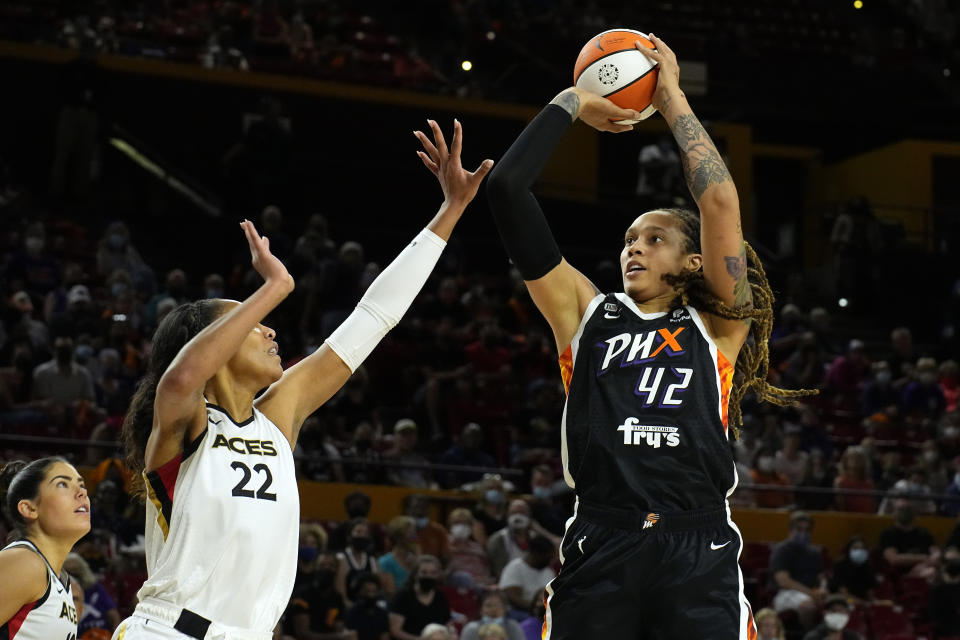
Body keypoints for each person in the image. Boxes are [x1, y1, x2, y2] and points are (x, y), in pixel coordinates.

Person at [114, 120, 494, 639]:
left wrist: (450, 211)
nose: (267, 328)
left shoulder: (276, 418)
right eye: (247, 321)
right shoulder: (183, 423)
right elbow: (181, 377)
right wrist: (275, 286)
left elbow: (373, 316)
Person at [485, 34, 811, 640]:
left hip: (699, 548)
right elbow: (506, 190)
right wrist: (573, 101)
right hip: (603, 540)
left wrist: (672, 99)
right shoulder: (584, 316)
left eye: (654, 239)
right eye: (629, 239)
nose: (634, 246)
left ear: (694, 263)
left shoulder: (719, 326)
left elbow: (717, 199)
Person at [0, 458, 90, 639]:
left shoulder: (60, 578)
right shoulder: (24, 562)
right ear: (29, 508)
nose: (82, 493)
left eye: (81, 485)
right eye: (63, 484)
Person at [770, 512, 826, 628]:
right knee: (808, 607)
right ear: (791, 530)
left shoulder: (814, 552)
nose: (803, 533)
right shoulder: (782, 550)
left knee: (837, 606)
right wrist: (810, 593)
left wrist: (823, 589)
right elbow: (783, 581)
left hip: (811, 592)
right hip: (786, 593)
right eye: (799, 529)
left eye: (807, 530)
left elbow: (822, 577)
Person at [388, 556, 450, 640]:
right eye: (424, 572)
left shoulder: (440, 596)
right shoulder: (403, 597)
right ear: (415, 574)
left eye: (433, 573)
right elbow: (395, 631)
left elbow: (447, 624)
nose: (428, 576)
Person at [63, 551, 121, 635]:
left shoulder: (97, 590)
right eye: (69, 573)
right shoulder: (60, 594)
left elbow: (114, 615)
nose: (73, 576)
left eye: (77, 571)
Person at [497, 536, 556, 617]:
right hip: (520, 612)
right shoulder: (515, 567)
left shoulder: (548, 571)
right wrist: (537, 608)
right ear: (536, 554)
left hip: (545, 611)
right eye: (547, 558)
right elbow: (514, 598)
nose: (550, 561)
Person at [336, 518, 380, 605]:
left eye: (365, 533)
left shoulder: (371, 560)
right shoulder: (341, 558)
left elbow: (378, 587)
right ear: (349, 535)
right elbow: (340, 593)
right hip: (348, 605)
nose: (362, 536)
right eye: (358, 532)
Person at [828, 536, 876, 604]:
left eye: (862, 549)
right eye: (855, 548)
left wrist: (873, 603)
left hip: (862, 602)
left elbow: (870, 591)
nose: (859, 551)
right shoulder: (840, 565)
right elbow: (844, 593)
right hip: (843, 600)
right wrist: (863, 603)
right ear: (848, 550)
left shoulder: (868, 566)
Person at [460, 592, 524, 640]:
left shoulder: (513, 626)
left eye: (497, 605)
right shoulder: (471, 628)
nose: (493, 609)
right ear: (480, 609)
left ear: (505, 609)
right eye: (488, 605)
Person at [344, 574, 390, 640]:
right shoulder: (352, 613)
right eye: (367, 591)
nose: (371, 595)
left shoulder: (381, 612)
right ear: (359, 592)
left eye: (374, 591)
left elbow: (384, 636)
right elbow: (352, 636)